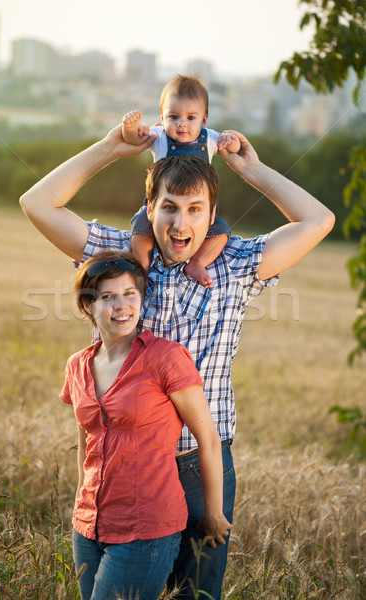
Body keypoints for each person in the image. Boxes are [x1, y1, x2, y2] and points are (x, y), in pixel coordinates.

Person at [19, 124, 335, 599]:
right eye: (168, 207)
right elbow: (37, 203)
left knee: (195, 593)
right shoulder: (122, 257)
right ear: (149, 211)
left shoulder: (235, 265)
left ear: (213, 217)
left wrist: (252, 170)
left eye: (194, 210)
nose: (179, 223)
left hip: (198, 465)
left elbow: (318, 220)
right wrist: (110, 149)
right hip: (126, 462)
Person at [60, 249, 230, 600]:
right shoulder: (77, 365)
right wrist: (81, 498)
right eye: (107, 297)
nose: (121, 305)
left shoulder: (165, 358)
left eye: (129, 294)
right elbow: (86, 440)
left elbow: (209, 440)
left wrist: (214, 512)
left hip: (145, 528)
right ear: (87, 306)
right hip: (88, 525)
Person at [122, 74, 241, 287]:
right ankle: (141, 264)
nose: (181, 124)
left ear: (204, 120)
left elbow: (234, 149)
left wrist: (229, 141)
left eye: (190, 118)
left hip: (200, 210)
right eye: (174, 117)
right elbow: (132, 139)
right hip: (162, 206)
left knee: (222, 231)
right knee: (141, 225)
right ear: (162, 117)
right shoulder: (159, 136)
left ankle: (198, 262)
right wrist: (130, 128)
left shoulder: (210, 138)